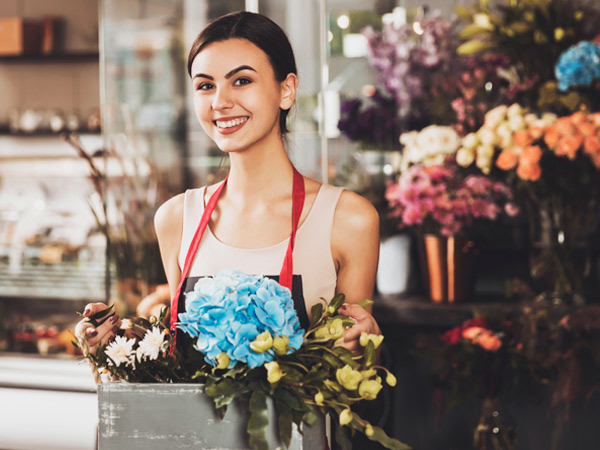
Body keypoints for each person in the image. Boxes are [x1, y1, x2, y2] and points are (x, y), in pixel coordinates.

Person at [78, 11, 381, 357]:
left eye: (241, 81)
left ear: (287, 90)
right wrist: (112, 343)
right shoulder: (177, 219)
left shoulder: (347, 219)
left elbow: (352, 376)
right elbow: (179, 363)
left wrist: (365, 341)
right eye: (205, 86)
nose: (220, 102)